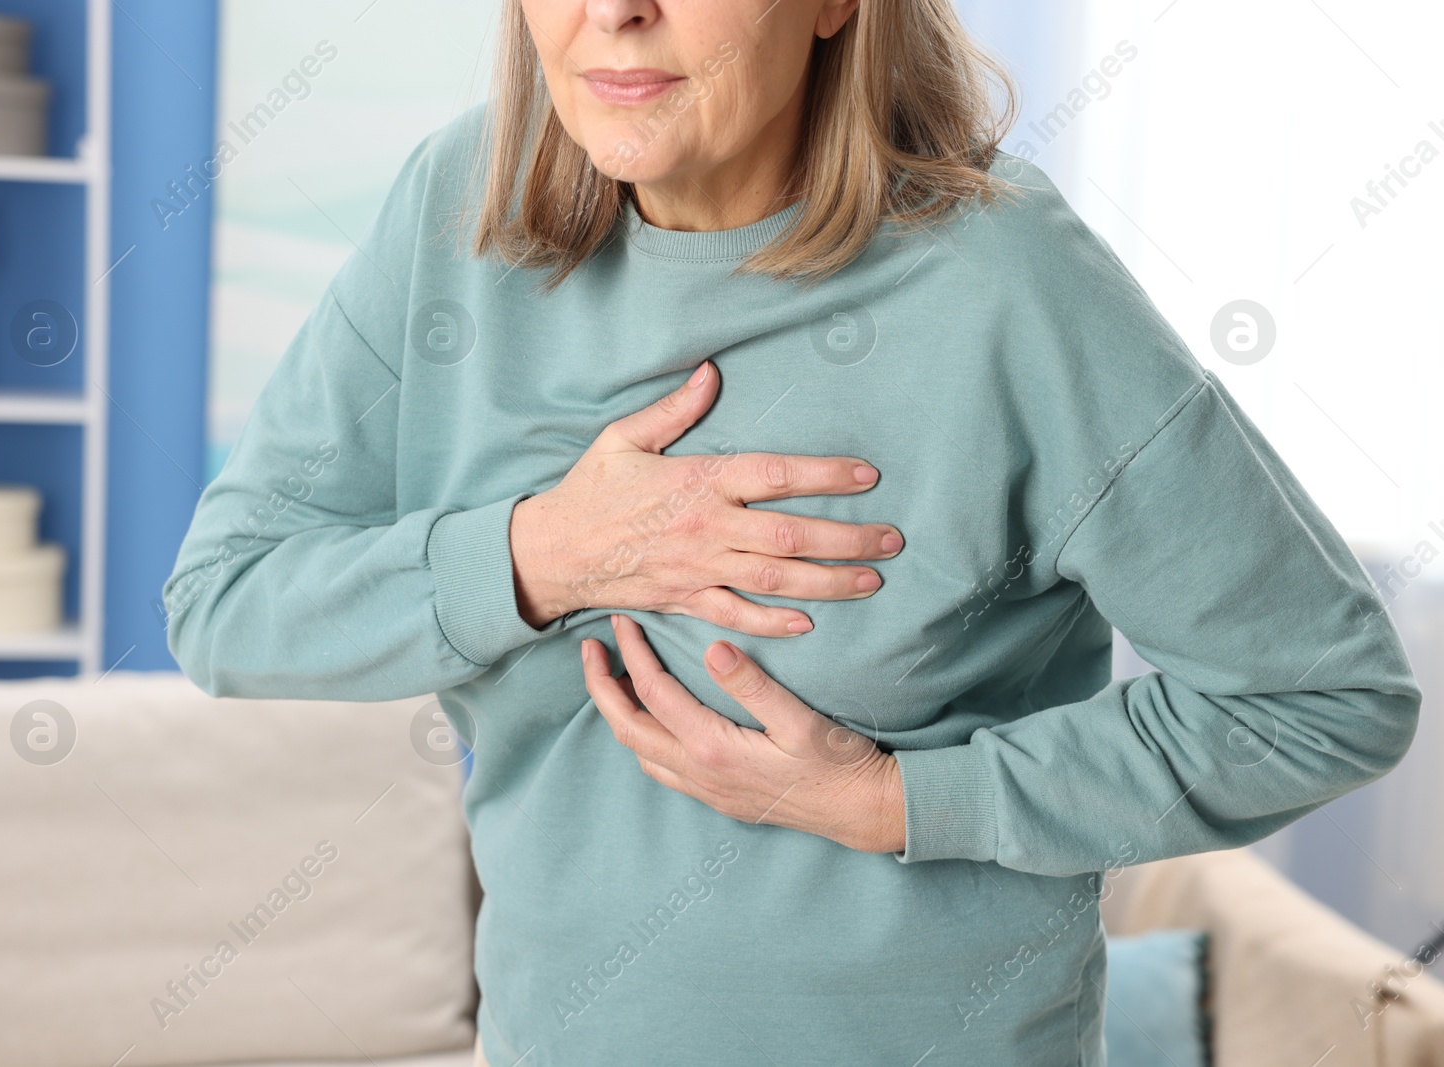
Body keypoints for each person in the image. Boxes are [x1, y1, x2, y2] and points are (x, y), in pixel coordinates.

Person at [163, 0, 1421, 1063]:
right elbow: (227, 601)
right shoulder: (459, 208)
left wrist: (896, 801)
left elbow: (1321, 698)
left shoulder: (1005, 283)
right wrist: (548, 551)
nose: (615, 10)